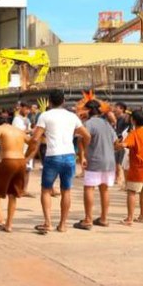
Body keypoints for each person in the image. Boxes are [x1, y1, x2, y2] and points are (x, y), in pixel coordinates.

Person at [27, 89, 91, 234]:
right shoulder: (72, 116)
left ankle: (48, 223)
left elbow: (35, 138)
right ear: (63, 101)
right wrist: (84, 153)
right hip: (69, 156)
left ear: (49, 102)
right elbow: (87, 135)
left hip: (53, 156)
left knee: (46, 190)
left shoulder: (45, 116)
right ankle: (62, 225)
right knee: (66, 191)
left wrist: (28, 151)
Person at [73, 100, 117, 230]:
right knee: (104, 189)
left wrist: (82, 157)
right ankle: (104, 218)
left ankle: (88, 219)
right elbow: (115, 142)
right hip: (109, 161)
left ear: (88, 110)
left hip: (95, 160)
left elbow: (81, 140)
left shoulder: (88, 124)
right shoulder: (107, 124)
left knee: (89, 188)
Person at [112, 102, 130, 185]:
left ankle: (120, 178)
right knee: (116, 160)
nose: (114, 109)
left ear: (122, 109)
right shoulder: (118, 118)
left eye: (116, 107)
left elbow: (126, 131)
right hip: (117, 140)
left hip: (122, 141)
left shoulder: (126, 118)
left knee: (120, 160)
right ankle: (117, 177)